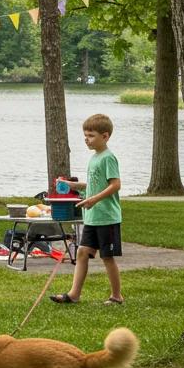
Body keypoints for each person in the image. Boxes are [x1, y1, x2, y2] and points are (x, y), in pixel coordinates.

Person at [51, 112, 124, 305]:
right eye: (85, 135)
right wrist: (73, 185)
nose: (87, 139)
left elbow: (115, 185)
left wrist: (94, 200)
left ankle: (117, 296)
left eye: (91, 135)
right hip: (92, 217)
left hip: (107, 217)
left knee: (107, 257)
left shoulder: (108, 158)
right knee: (82, 252)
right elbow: (94, 185)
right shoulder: (94, 158)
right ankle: (74, 294)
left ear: (105, 136)